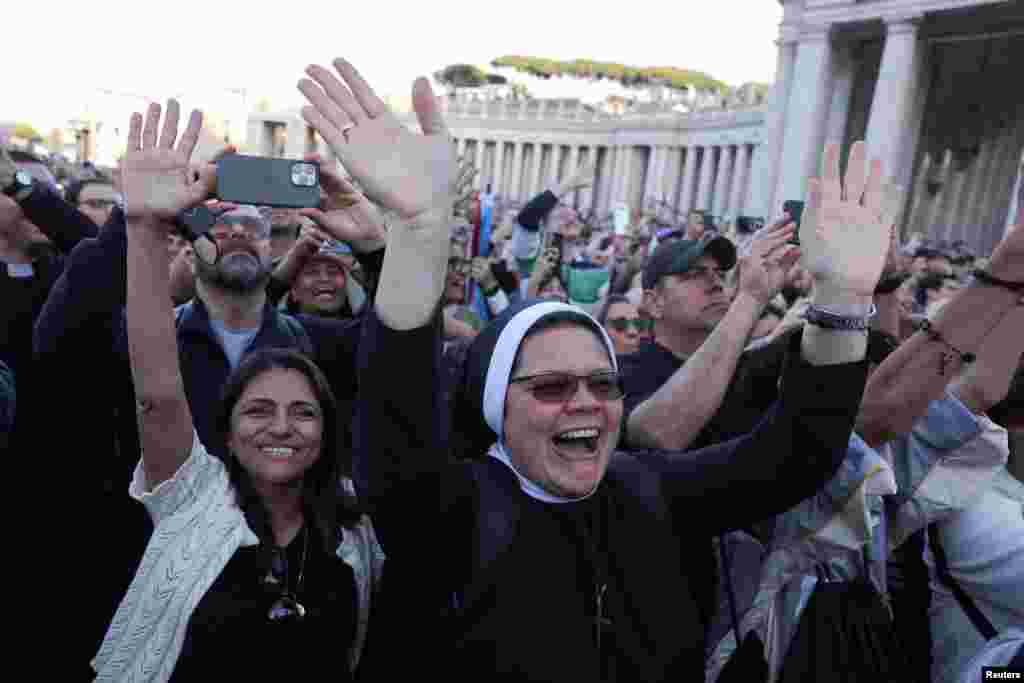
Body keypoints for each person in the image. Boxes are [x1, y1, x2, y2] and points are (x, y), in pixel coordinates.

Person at [300, 58, 891, 680]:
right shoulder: (447, 510)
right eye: (552, 387)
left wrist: (844, 300)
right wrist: (419, 235)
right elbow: (399, 417)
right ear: (496, 405)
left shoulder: (645, 489)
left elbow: (796, 453)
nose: (585, 402)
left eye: (603, 385)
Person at [93, 99, 383, 681]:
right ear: (224, 427)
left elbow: (399, 355)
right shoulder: (194, 493)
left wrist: (380, 249)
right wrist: (143, 228)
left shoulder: (352, 534)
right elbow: (157, 391)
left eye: (303, 412)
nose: (281, 426)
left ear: (329, 429)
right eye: (258, 410)